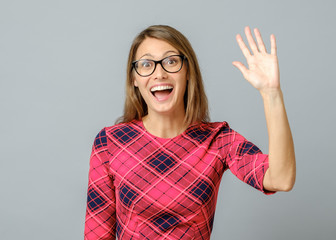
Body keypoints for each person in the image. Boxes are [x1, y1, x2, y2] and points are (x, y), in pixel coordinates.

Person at [84, 25, 296, 240]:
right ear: (134, 79)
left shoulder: (218, 139)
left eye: (171, 61)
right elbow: (96, 234)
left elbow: (280, 179)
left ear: (188, 72)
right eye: (146, 64)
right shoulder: (111, 142)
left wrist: (272, 94)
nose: (159, 73)